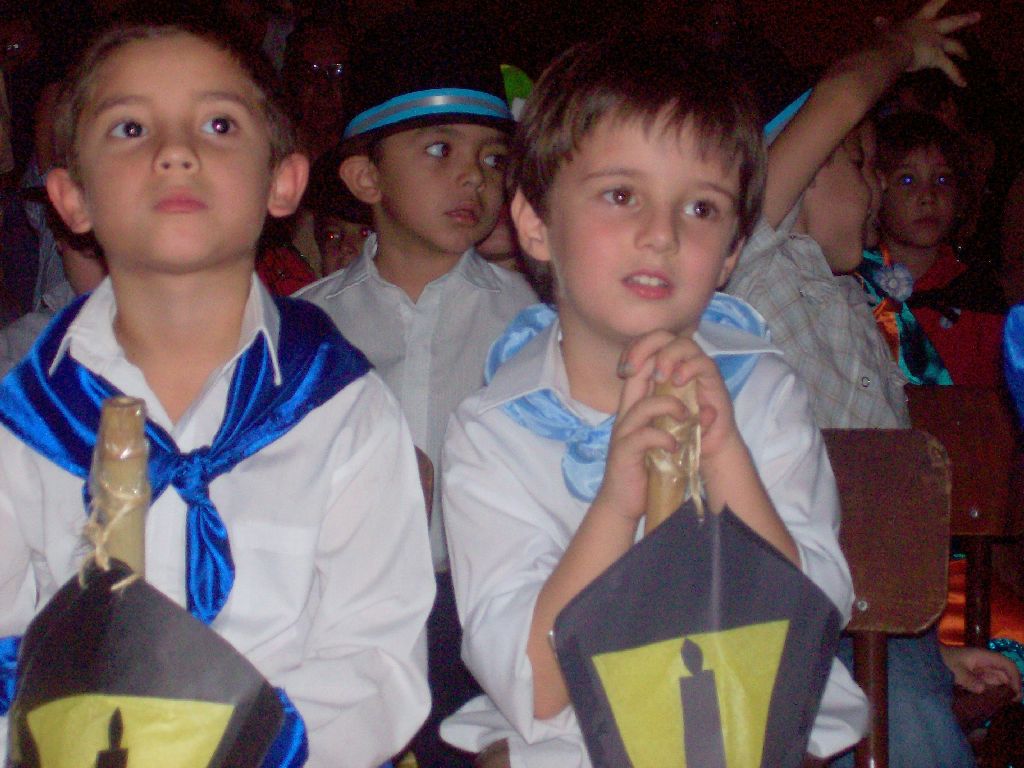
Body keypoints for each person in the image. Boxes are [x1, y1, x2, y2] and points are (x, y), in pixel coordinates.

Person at [0, 23, 434, 767]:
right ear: (71, 198)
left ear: (283, 182)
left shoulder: (337, 408)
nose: (175, 151)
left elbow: (375, 658)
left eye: (219, 125)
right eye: (130, 128)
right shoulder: (30, 419)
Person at [439, 31, 870, 767]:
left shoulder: (764, 394)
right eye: (621, 195)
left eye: (701, 208)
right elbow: (534, 686)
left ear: (731, 252)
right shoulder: (492, 433)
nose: (661, 234)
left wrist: (726, 457)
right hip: (574, 740)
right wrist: (616, 504)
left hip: (754, 731)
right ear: (536, 224)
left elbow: (800, 631)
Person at [724, 1, 1021, 764]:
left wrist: (931, 645)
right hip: (786, 604)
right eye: (859, 165)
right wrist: (900, 48)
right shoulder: (756, 266)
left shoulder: (856, 303)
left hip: (878, 613)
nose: (879, 184)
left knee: (916, 714)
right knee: (901, 724)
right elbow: (840, 98)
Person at [296, 12, 537, 767]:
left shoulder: (536, 325)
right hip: (341, 618)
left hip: (491, 618)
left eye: (493, 158)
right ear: (366, 178)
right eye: (440, 149)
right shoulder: (305, 331)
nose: (475, 177)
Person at [860, 110, 1005, 387]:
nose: (928, 196)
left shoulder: (976, 291)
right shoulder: (858, 285)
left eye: (942, 180)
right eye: (907, 179)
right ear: (877, 190)